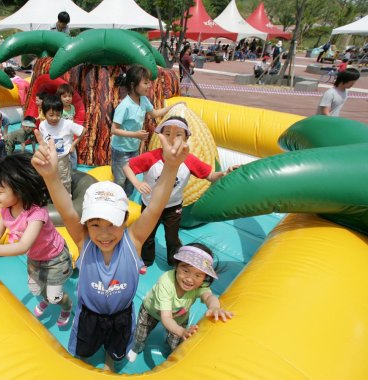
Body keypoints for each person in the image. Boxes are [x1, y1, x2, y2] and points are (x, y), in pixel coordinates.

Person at [31, 123, 189, 371]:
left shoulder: (133, 241)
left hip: (121, 316)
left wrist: (171, 168)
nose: (104, 233)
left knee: (114, 354)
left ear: (125, 221)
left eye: (112, 224)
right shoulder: (84, 241)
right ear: (86, 225)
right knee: (83, 354)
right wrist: (51, 176)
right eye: (95, 224)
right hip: (89, 316)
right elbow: (66, 209)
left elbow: (157, 206)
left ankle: (109, 363)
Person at [0, 153, 74, 326]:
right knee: (36, 288)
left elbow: (23, 245)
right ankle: (47, 299)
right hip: (36, 258)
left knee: (55, 295)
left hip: (55, 258)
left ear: (19, 189)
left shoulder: (36, 214)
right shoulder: (6, 208)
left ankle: (66, 306)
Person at [123, 116, 239, 268]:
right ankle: (146, 260)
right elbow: (127, 166)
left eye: (178, 134)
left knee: (172, 237)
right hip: (151, 205)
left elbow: (210, 175)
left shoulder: (189, 160)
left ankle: (174, 261)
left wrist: (225, 173)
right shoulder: (152, 157)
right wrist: (137, 182)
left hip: (173, 206)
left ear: (186, 139)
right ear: (161, 137)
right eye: (167, 133)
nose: (172, 138)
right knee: (148, 235)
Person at [127, 243, 233, 363]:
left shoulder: (200, 285)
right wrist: (182, 331)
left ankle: (173, 354)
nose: (189, 279)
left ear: (204, 277)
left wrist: (215, 307)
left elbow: (209, 296)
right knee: (141, 332)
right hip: (151, 311)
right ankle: (136, 347)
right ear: (177, 266)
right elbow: (166, 317)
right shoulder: (166, 282)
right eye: (186, 270)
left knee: (177, 342)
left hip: (179, 318)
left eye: (198, 275)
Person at [111, 65, 176, 196]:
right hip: (121, 150)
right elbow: (114, 130)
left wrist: (173, 107)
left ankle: (128, 201)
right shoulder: (125, 106)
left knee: (132, 176)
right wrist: (135, 135)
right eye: (145, 83)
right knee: (120, 179)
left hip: (133, 148)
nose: (149, 86)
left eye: (149, 82)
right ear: (133, 84)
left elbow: (155, 113)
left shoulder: (144, 100)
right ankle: (117, 201)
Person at [38, 95, 84, 194]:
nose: (55, 118)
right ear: (44, 114)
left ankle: (67, 196)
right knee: (49, 178)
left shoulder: (67, 124)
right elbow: (43, 139)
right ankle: (52, 196)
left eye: (58, 115)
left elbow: (83, 131)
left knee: (64, 179)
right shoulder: (42, 125)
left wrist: (73, 145)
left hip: (62, 159)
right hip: (48, 158)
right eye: (51, 115)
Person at [56, 83, 78, 169]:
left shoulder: (72, 107)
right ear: (60, 97)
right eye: (64, 96)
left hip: (70, 137)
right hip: (61, 137)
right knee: (62, 156)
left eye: (69, 96)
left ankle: (74, 171)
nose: (68, 98)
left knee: (73, 155)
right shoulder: (59, 109)